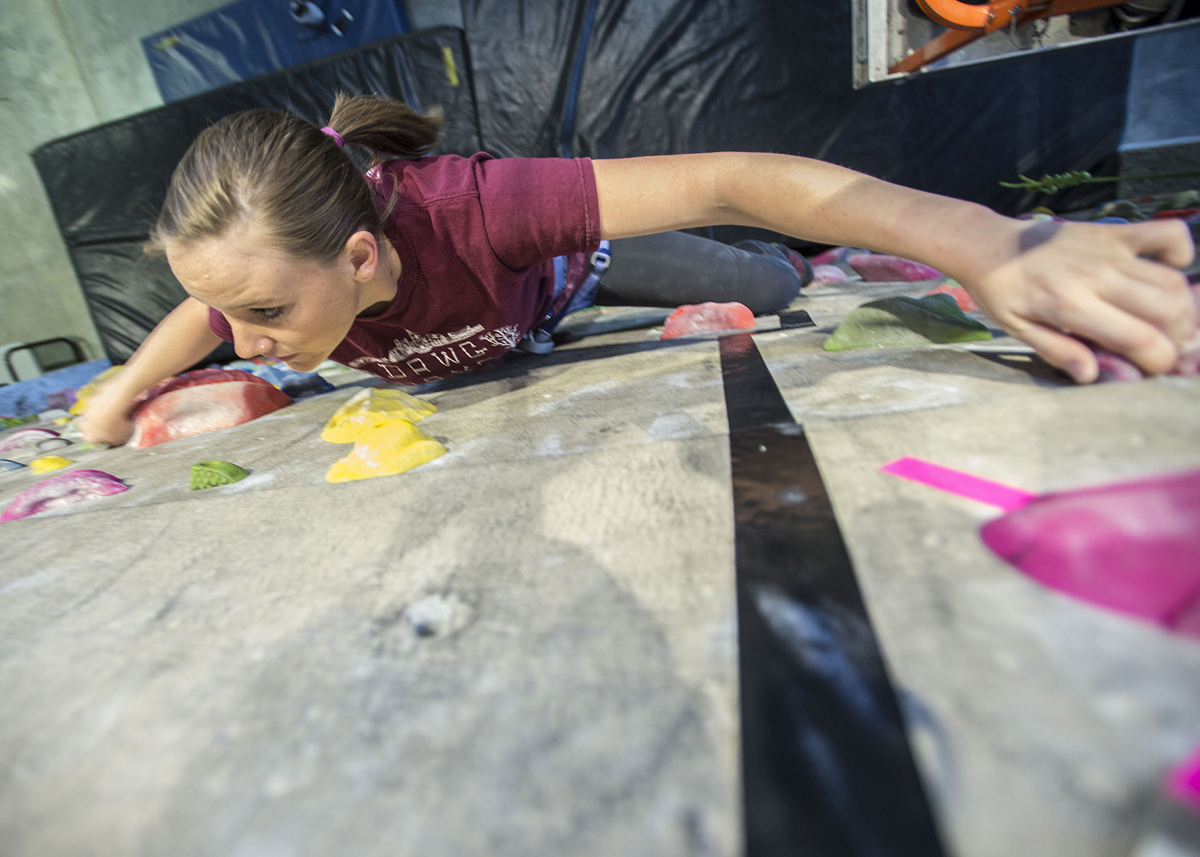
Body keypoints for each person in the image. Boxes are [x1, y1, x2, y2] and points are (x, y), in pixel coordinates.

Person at [80, 94, 1197, 447]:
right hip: (485, 336)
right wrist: (122, 393)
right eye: (231, 311)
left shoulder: (482, 207)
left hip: (579, 279)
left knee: (776, 289)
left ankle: (809, 268)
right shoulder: (262, 299)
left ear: (363, 252)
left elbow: (738, 174)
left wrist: (985, 241)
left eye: (263, 309)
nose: (243, 333)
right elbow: (198, 314)